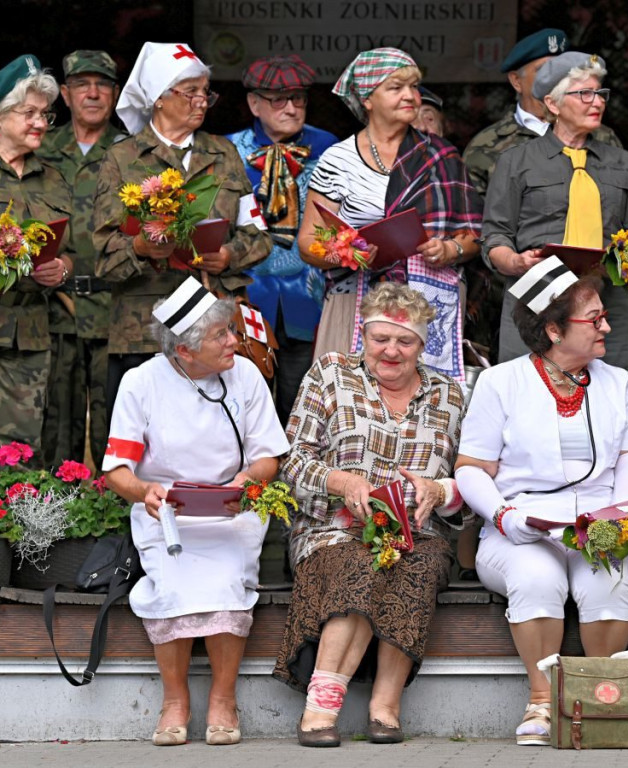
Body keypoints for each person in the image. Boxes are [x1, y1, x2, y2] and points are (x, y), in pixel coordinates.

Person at [455, 259, 628, 746]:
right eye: (594, 319)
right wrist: (504, 516)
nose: (606, 326)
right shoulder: (500, 382)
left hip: (603, 522)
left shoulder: (618, 382)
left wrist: (619, 522)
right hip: (520, 526)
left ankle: (595, 699)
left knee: (609, 579)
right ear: (554, 330)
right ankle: (542, 703)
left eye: (605, 316)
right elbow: (471, 469)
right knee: (535, 577)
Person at [274, 282, 466, 747]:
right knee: (360, 562)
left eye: (405, 341)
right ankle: (322, 704)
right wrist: (345, 482)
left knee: (416, 565)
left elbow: (472, 479)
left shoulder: (450, 395)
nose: (391, 351)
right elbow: (292, 459)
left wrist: (439, 490)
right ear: (363, 335)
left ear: (423, 345)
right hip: (332, 527)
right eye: (381, 338)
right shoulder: (331, 375)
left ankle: (385, 705)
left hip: (416, 532)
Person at [102, 276, 290, 746]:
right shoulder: (140, 382)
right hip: (165, 512)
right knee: (171, 584)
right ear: (184, 352)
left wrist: (243, 484)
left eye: (231, 330)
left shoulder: (245, 374)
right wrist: (145, 492)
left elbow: (268, 453)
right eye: (220, 336)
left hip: (234, 509)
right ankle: (175, 701)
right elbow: (117, 470)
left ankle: (224, 699)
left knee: (226, 583)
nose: (234, 341)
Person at [93, 42, 272, 407]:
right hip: (144, 328)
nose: (201, 101)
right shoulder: (122, 158)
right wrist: (140, 248)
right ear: (158, 98)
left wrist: (229, 254)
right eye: (189, 92)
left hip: (216, 325)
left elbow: (258, 234)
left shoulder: (224, 153)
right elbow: (103, 256)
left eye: (206, 93)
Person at [296, 47, 481, 381]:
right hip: (355, 303)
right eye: (396, 88)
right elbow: (308, 242)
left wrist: (449, 250)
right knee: (351, 407)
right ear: (367, 99)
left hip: (427, 305)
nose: (411, 96)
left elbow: (474, 237)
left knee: (422, 414)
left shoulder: (442, 155)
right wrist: (347, 253)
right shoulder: (337, 160)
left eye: (413, 86)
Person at [482, 51, 628, 380]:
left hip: (606, 301)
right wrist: (516, 262)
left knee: (609, 404)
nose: (596, 102)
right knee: (530, 400)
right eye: (584, 93)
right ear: (554, 104)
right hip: (535, 299)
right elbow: (495, 236)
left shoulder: (624, 163)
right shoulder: (516, 161)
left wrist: (624, 260)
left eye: (600, 93)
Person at [225, 54, 339, 426]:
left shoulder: (330, 148)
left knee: (302, 405)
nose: (291, 108)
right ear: (254, 103)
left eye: (299, 99)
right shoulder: (227, 150)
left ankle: (293, 482)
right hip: (246, 296)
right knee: (244, 404)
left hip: (310, 297)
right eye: (279, 100)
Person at [37, 50, 124, 467]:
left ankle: (113, 515)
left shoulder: (131, 151)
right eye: (82, 85)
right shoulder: (42, 149)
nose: (93, 93)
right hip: (55, 309)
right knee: (57, 419)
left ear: (116, 94)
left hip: (115, 310)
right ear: (66, 95)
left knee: (115, 422)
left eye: (103, 84)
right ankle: (53, 514)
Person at [0, 55, 74, 458]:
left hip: (29, 332)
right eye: (28, 113)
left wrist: (61, 269)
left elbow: (74, 252)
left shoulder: (54, 178)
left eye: (45, 114)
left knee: (21, 447)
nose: (40, 123)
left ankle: (12, 521)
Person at [462, 28, 621, 198]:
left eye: (564, 72)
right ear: (516, 81)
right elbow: (474, 218)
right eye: (544, 70)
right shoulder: (485, 146)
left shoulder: (601, 136)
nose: (556, 78)